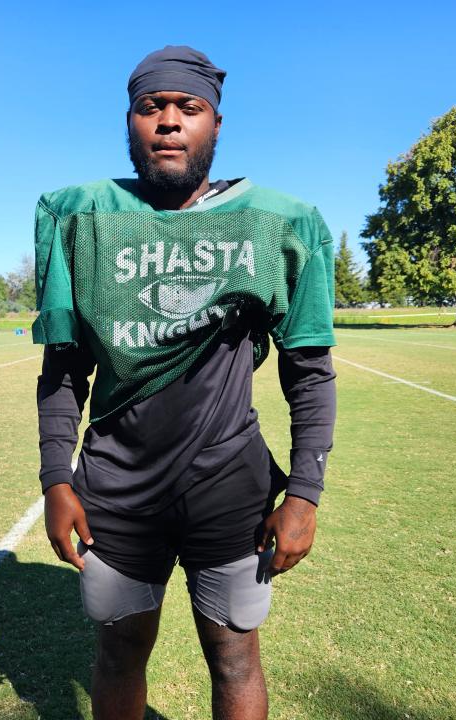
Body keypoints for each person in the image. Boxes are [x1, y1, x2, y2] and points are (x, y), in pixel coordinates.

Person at [34, 45, 336, 720]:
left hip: (228, 486)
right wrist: (57, 477)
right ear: (131, 121)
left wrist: (306, 494)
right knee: (118, 654)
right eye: (152, 107)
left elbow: (309, 370)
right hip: (117, 487)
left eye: (187, 107)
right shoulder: (83, 219)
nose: (169, 121)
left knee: (234, 657)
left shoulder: (277, 224)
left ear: (216, 126)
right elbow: (62, 369)